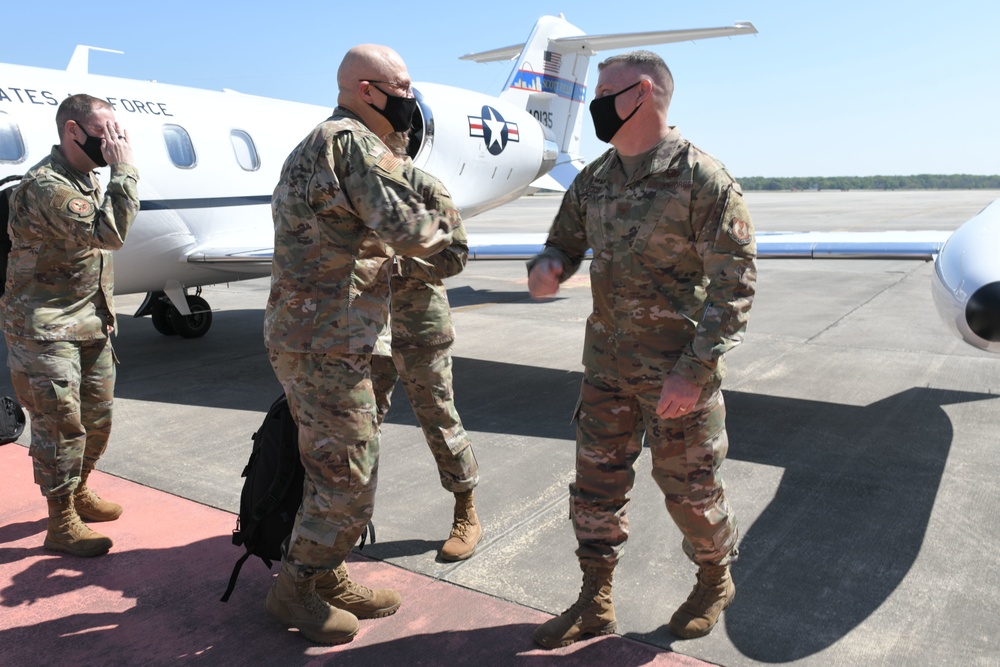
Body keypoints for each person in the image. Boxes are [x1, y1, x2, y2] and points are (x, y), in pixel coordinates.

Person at [527, 50, 757, 647]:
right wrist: (549, 266)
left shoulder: (701, 179)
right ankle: (594, 600)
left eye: (606, 92)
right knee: (594, 492)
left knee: (693, 497)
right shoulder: (596, 178)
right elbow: (564, 241)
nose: (595, 104)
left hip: (678, 378)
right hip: (606, 372)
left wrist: (695, 371)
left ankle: (714, 579)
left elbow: (735, 288)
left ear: (644, 93)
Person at [264, 44, 454, 645]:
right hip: (326, 341)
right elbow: (414, 230)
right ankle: (295, 589)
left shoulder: (317, 143)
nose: (411, 98)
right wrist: (448, 229)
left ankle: (329, 575)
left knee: (328, 469)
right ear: (368, 91)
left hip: (317, 335)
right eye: (402, 86)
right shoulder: (354, 144)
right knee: (348, 478)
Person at [1, 94, 139, 558]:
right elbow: (110, 234)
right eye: (107, 131)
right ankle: (60, 521)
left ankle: (78, 491)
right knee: (60, 426)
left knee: (98, 420)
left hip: (88, 321)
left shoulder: (84, 179)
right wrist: (125, 171)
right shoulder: (47, 186)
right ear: (73, 132)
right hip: (45, 327)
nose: (115, 140)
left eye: (118, 132)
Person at [372, 132, 482, 562]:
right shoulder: (359, 190)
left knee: (439, 418)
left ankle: (466, 511)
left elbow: (456, 254)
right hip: (369, 325)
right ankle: (349, 517)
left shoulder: (426, 187)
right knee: (364, 424)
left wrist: (399, 262)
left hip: (420, 326)